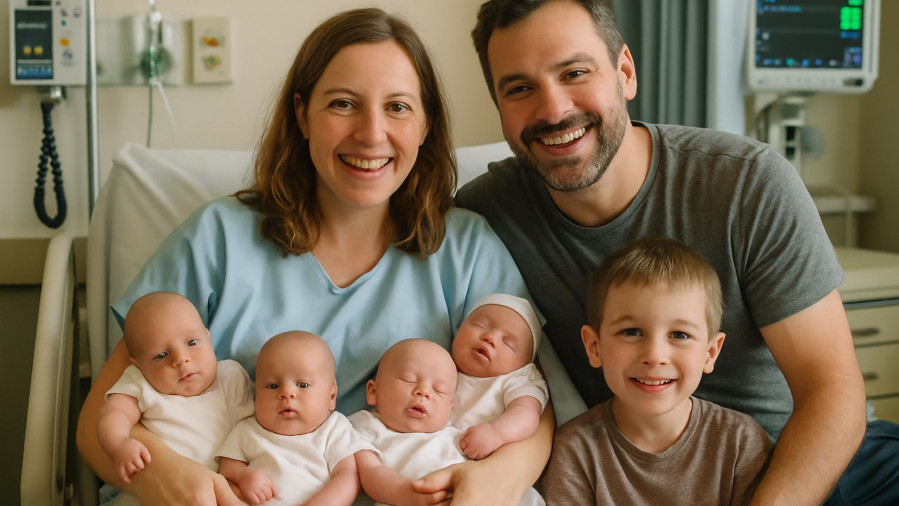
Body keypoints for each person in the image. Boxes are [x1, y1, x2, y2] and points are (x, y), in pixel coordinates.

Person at [76, 8, 553, 506]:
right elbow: (97, 423)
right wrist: (173, 480)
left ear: (426, 123)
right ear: (302, 114)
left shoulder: (467, 249)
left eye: (398, 107)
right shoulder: (216, 240)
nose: (371, 134)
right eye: (343, 104)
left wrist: (494, 481)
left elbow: (531, 400)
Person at [456, 0, 899, 503]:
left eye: (575, 72)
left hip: (806, 464)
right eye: (519, 88)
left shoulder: (744, 184)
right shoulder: (484, 219)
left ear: (625, 72)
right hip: (642, 479)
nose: (554, 110)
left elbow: (833, 393)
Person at [541, 237, 773, 504]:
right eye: (631, 332)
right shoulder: (575, 449)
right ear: (594, 347)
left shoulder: (740, 442)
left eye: (680, 334)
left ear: (710, 353)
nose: (654, 356)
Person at [97, 291, 254, 505]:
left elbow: (253, 430)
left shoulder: (230, 377)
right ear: (138, 364)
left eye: (191, 342)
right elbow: (114, 412)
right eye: (161, 355)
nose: (181, 359)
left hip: (225, 491)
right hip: (159, 494)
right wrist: (118, 443)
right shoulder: (141, 383)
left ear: (208, 336)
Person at [350, 338, 544, 506]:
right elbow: (370, 472)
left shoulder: (460, 436)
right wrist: (404, 492)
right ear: (373, 392)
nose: (424, 391)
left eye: (439, 390)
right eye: (409, 379)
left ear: (450, 407)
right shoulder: (366, 426)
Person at [217, 331, 373, 506]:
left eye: (303, 385)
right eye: (273, 386)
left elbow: (348, 478)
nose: (286, 393)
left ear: (331, 396)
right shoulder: (248, 429)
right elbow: (227, 468)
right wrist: (244, 476)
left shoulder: (333, 428)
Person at [449, 294, 549, 460]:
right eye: (481, 325)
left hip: (472, 463)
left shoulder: (516, 380)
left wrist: (496, 432)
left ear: (524, 364)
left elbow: (526, 414)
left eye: (508, 343)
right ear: (459, 328)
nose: (491, 337)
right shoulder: (440, 362)